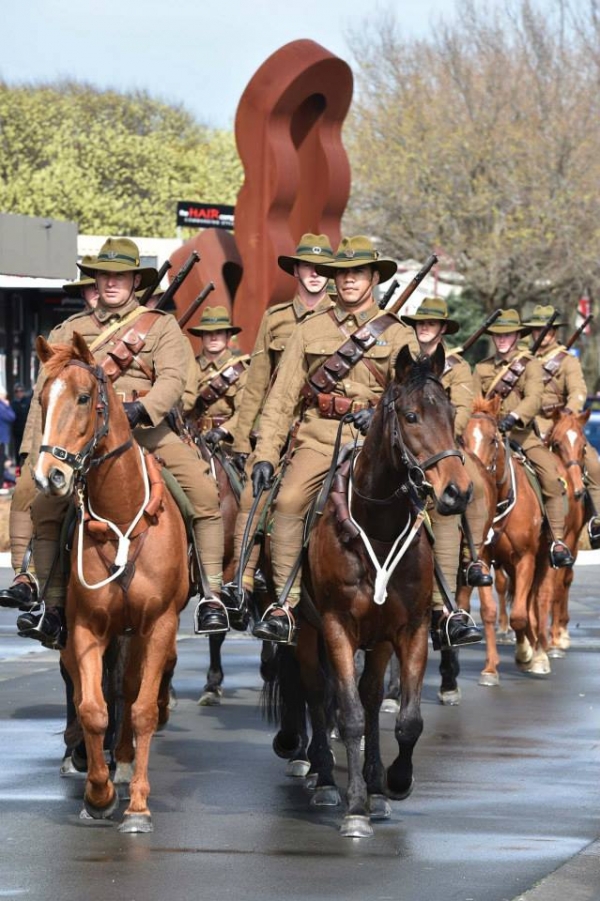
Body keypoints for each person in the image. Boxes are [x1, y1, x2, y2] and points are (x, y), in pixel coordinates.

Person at [249, 235, 480, 648]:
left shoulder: (398, 335)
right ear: (333, 280)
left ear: (374, 277)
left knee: (440, 505)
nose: (350, 281)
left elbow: (420, 399)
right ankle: (285, 605)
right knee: (286, 502)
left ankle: (448, 610)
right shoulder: (308, 330)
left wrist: (376, 415)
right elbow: (281, 398)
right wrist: (266, 452)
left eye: (358, 273)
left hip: (383, 442)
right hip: (320, 435)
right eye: (343, 274)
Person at [14, 237, 226, 647]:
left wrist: (142, 410)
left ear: (134, 281)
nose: (112, 283)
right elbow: (47, 399)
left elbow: (171, 380)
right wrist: (32, 451)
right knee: (42, 502)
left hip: (146, 431)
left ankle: (212, 594)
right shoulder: (67, 331)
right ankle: (51, 604)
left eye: (121, 276)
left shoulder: (159, 325)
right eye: (104, 276)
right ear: (96, 280)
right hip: (79, 439)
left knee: (203, 492)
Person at [222, 234, 336, 613]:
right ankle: (243, 578)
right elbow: (256, 384)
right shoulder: (275, 318)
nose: (316, 275)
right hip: (278, 427)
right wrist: (243, 443)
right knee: (255, 494)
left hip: (323, 424)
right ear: (298, 270)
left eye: (323, 268)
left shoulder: (344, 318)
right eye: (309, 267)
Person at [401, 297, 490, 637]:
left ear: (441, 328)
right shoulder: (403, 361)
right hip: (408, 445)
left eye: (431, 323)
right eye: (420, 322)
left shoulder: (458, 367)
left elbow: (463, 407)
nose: (424, 327)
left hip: (444, 446)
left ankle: (454, 594)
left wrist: (444, 438)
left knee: (470, 491)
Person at [472, 308, 574, 569]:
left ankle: (557, 540)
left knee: (551, 476)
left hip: (521, 432)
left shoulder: (531, 365)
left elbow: (534, 398)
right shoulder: (482, 368)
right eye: (498, 335)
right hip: (488, 433)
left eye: (508, 335)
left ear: (518, 336)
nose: (502, 339)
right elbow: (472, 399)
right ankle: (465, 544)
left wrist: (514, 417)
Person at [522, 304, 600, 548]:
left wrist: (570, 413)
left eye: (548, 330)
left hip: (561, 421)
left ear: (555, 332)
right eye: (538, 330)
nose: (543, 335)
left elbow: (578, 390)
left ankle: (596, 519)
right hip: (530, 421)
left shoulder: (566, 361)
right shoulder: (521, 360)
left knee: (593, 465)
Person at [186, 305, 250, 447]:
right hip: (191, 438)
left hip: (227, 441)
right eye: (208, 333)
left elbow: (245, 411)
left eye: (219, 332)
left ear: (228, 336)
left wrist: (223, 430)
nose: (213, 337)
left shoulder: (241, 370)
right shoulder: (189, 367)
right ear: (201, 336)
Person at [0, 390, 16, 483]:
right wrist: (7, 405)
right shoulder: (1, 406)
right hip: (1, 438)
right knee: (1, 461)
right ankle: (1, 484)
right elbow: (11, 417)